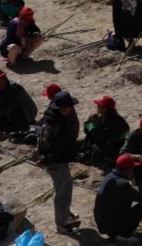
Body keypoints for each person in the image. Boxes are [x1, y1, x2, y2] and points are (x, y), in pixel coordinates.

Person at [94, 154, 142, 243]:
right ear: (127, 169)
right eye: (132, 168)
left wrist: (137, 157)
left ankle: (118, 231)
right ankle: (123, 235)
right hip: (110, 226)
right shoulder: (122, 184)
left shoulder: (110, 176)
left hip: (103, 223)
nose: (132, 171)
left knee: (127, 201)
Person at [38, 90, 81, 235]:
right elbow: (51, 147)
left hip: (60, 159)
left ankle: (65, 213)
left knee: (67, 187)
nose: (70, 110)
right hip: (55, 162)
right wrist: (49, 162)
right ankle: (61, 223)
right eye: (67, 108)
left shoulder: (57, 118)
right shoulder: (54, 125)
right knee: (62, 191)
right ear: (60, 108)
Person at [0, 66, 37, 136]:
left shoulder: (14, 87)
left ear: (5, 78)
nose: (1, 84)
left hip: (28, 113)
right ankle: (2, 127)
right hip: (13, 113)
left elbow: (3, 101)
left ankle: (19, 127)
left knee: (9, 107)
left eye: (2, 80)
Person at [80, 96, 130, 167]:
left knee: (95, 145)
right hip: (107, 142)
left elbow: (99, 138)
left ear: (105, 109)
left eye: (99, 106)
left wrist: (91, 124)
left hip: (115, 148)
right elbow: (88, 132)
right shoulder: (103, 117)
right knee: (88, 136)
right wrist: (89, 121)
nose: (97, 107)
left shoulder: (113, 121)